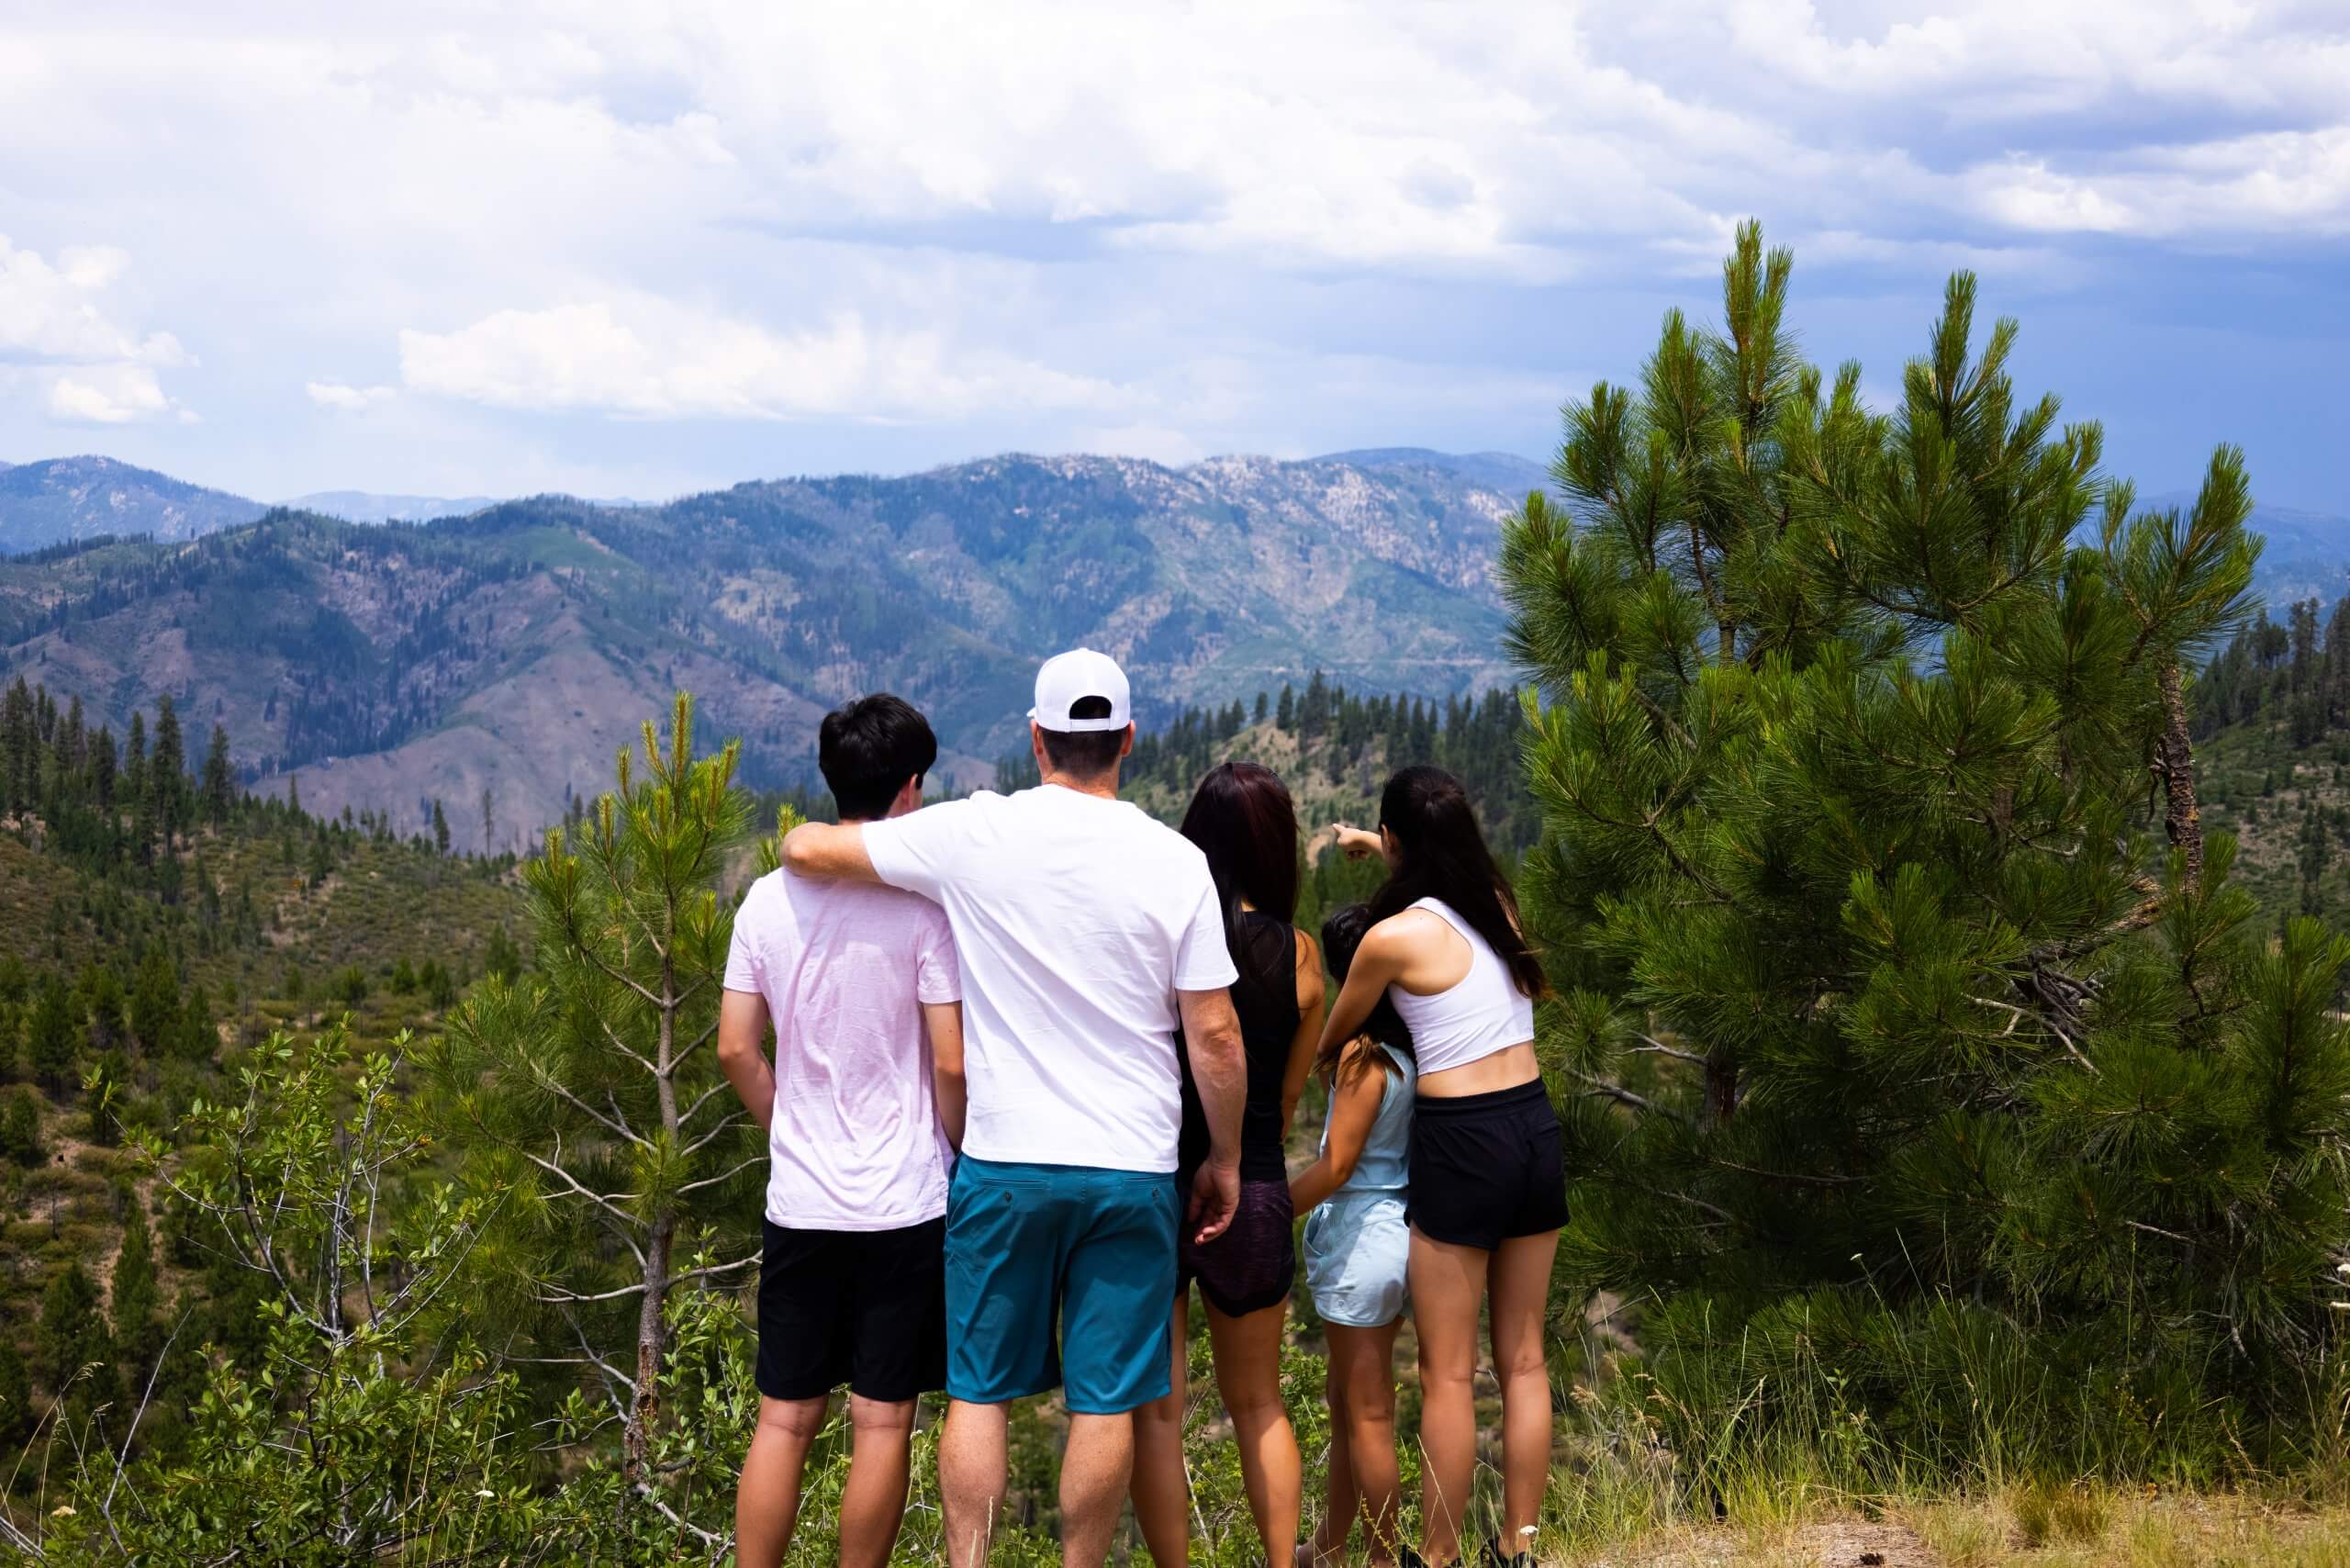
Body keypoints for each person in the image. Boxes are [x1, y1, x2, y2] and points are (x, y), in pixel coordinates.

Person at [780, 647, 1248, 1568]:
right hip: (1130, 1165)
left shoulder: (974, 834)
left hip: (1003, 1160)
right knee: (1107, 1399)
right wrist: (1223, 1159)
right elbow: (1216, 1035)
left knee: (979, 1392)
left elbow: (808, 846)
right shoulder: (1175, 860)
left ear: (1035, 739)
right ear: (1126, 740)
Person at [716, 693, 966, 1568]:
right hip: (902, 1201)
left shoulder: (762, 904)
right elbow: (951, 1064)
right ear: (907, 791)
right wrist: (956, 1148)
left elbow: (736, 1049)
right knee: (883, 1420)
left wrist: (787, 1123)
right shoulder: (923, 909)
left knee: (784, 1417)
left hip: (801, 1198)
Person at [1323, 765, 1560, 1568]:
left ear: (1397, 844)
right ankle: (1520, 1549)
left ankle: (1436, 1558)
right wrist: (1373, 840)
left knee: (1448, 1375)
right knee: (1524, 1359)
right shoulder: (1498, 905)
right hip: (1534, 1126)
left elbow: (1334, 1036)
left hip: (1462, 1140)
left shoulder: (1388, 942)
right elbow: (1437, 873)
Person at [1132, 762, 1326, 1566]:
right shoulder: (1304, 957)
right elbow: (1284, 1103)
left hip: (1151, 1178)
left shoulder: (1164, 936)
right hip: (1252, 1181)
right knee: (1259, 1403)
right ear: (1276, 846)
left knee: (1158, 1414)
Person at [1292, 903, 1418, 1568]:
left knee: (1367, 1416)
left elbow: (1337, 1167)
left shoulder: (1363, 1059)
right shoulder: (1412, 1050)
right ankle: (1331, 1545)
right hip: (1396, 1235)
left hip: (1361, 1245)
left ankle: (1381, 1557)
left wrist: (1264, 1207)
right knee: (1346, 1403)